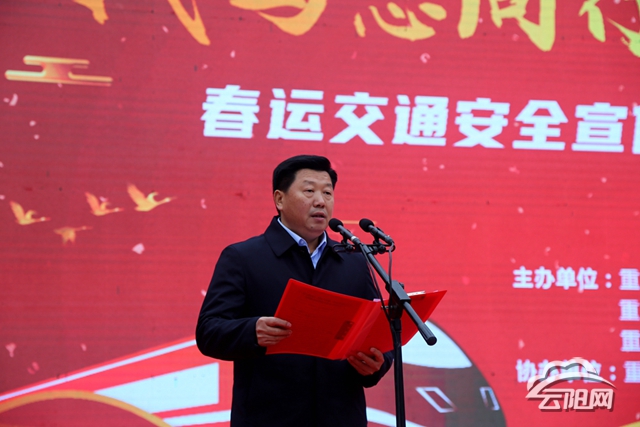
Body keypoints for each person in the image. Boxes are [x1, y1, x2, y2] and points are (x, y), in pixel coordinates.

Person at [196, 154, 393, 427]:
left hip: (341, 418)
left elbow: (378, 331)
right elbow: (209, 332)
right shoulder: (244, 258)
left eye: (327, 193)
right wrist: (252, 330)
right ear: (279, 199)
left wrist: (377, 364)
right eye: (309, 191)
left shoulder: (354, 261)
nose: (320, 201)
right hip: (268, 418)